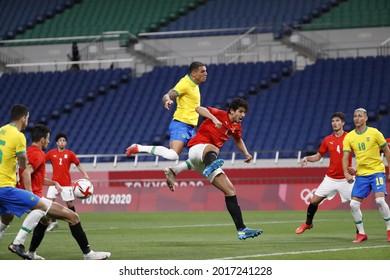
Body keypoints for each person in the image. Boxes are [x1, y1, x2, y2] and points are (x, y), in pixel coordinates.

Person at [0, 104, 110, 260]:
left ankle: (31, 252)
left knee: (14, 219)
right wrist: (32, 196)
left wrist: (52, 183)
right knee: (71, 216)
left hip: (7, 188)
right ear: (43, 139)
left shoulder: (3, 132)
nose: (49, 142)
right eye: (49, 139)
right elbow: (26, 171)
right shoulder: (35, 151)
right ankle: (88, 254)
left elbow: (30, 173)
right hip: (12, 190)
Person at [165, 98, 263, 240]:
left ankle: (241, 229)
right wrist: (213, 118)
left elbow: (237, 140)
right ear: (232, 111)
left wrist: (246, 153)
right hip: (197, 149)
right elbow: (198, 108)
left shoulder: (236, 127)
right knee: (213, 148)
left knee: (230, 191)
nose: (243, 115)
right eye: (241, 111)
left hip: (202, 161)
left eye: (245, 113)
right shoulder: (219, 114)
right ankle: (206, 165)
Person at [126, 61, 207, 188]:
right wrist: (168, 100)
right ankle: (139, 147)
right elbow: (168, 94)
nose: (205, 73)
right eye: (202, 71)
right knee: (173, 155)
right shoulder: (185, 83)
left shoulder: (195, 85)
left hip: (191, 128)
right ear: (193, 73)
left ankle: (173, 171)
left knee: (199, 158)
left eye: (205, 71)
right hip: (180, 124)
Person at [295, 112, 354, 234]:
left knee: (355, 204)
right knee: (314, 201)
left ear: (343, 123)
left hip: (346, 179)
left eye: (337, 120)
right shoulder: (327, 140)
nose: (335, 123)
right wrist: (307, 158)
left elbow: (360, 153)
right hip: (330, 179)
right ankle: (308, 223)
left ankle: (360, 232)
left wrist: (355, 167)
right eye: (333, 121)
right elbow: (318, 156)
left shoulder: (350, 137)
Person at [342, 108, 390, 243]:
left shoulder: (374, 133)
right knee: (353, 205)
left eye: (360, 116)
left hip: (376, 172)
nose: (356, 118)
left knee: (380, 201)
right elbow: (345, 157)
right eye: (355, 116)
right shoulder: (349, 137)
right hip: (362, 175)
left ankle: (389, 230)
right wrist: (346, 172)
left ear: (366, 118)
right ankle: (361, 234)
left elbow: (387, 151)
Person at [45, 132, 89, 232]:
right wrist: (43, 174)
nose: (62, 142)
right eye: (60, 140)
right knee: (49, 203)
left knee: (69, 204)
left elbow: (78, 164)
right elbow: (42, 162)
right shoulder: (51, 153)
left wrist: (85, 174)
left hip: (66, 184)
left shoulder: (70, 154)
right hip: (54, 183)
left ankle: (75, 221)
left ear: (66, 143)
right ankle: (53, 222)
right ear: (57, 142)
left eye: (64, 140)